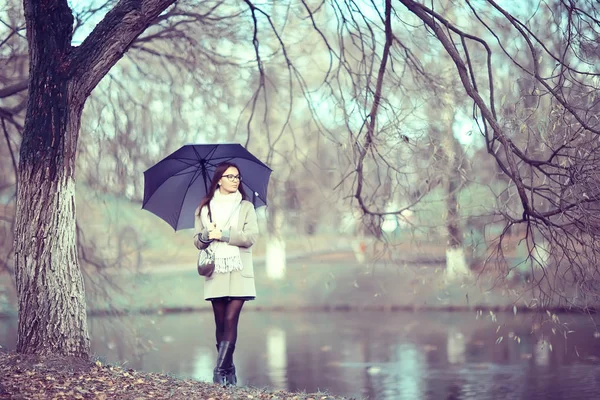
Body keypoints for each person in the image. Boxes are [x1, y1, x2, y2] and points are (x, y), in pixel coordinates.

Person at [193, 162, 258, 386]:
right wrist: (207, 234)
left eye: (237, 177)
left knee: (231, 319)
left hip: (239, 269)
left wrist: (224, 234)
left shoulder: (246, 207)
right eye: (229, 176)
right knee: (220, 323)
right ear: (218, 179)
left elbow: (250, 237)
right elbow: (197, 242)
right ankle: (229, 370)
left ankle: (219, 371)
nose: (235, 180)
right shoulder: (204, 209)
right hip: (215, 269)